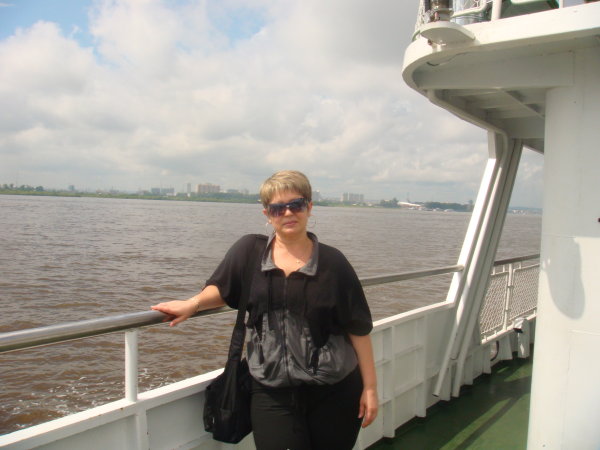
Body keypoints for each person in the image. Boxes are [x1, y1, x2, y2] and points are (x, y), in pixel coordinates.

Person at [152, 170, 378, 449]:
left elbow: (358, 328)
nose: (288, 213)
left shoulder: (333, 263)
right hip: (271, 389)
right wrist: (193, 303)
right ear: (267, 214)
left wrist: (370, 388)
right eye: (277, 208)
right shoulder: (250, 252)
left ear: (309, 207)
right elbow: (224, 288)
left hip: (335, 389)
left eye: (296, 204)